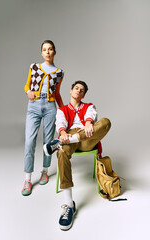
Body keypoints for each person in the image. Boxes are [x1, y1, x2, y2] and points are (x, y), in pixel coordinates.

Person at [43, 80, 111, 230]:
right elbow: (60, 124)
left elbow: (91, 115)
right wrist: (62, 134)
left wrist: (88, 123)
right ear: (71, 91)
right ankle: (69, 205)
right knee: (61, 152)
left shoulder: (89, 106)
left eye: (81, 91)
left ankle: (58, 143)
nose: (78, 92)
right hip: (68, 138)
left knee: (106, 122)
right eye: (76, 88)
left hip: (87, 137)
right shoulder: (62, 110)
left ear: (83, 95)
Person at [22, 40, 64, 196]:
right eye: (44, 49)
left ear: (54, 52)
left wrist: (64, 111)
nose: (47, 52)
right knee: (29, 141)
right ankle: (27, 179)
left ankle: (45, 171)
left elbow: (58, 94)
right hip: (33, 106)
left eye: (50, 49)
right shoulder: (34, 67)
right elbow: (26, 85)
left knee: (48, 142)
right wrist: (28, 92)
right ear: (41, 52)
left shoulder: (59, 72)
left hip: (50, 107)